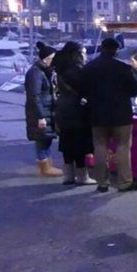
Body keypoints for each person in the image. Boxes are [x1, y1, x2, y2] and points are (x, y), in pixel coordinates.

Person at [79, 37, 137, 193]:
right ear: (116, 50)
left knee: (99, 147)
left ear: (101, 48)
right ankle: (124, 182)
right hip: (121, 114)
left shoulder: (89, 68)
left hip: (97, 114)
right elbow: (135, 89)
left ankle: (102, 182)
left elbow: (82, 90)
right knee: (123, 148)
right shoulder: (123, 68)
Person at [53, 41, 96, 185]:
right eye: (83, 53)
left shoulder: (61, 69)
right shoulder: (76, 70)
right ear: (76, 54)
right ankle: (82, 176)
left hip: (63, 108)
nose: (85, 56)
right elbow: (86, 88)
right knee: (79, 143)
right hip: (76, 109)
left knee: (66, 142)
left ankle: (68, 176)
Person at [25, 41, 62, 177]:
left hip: (46, 111)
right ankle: (44, 167)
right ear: (47, 58)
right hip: (41, 112)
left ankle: (47, 165)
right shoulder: (36, 73)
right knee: (42, 139)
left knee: (46, 138)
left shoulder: (42, 71)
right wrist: (40, 116)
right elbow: (34, 96)